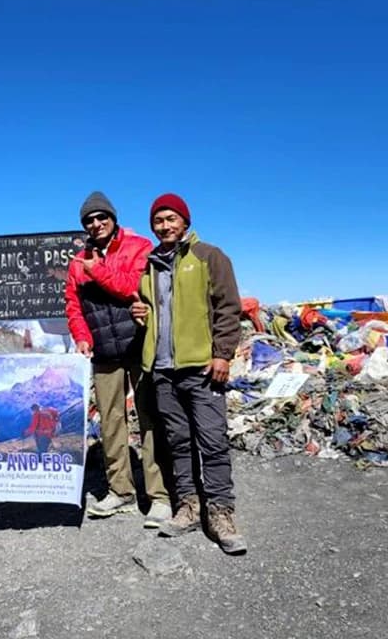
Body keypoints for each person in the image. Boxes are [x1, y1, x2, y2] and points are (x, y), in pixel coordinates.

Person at [131, 193, 247, 555]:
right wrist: (141, 314)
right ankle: (189, 507)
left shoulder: (209, 256)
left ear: (185, 221)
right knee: (177, 442)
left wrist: (222, 354)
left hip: (202, 368)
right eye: (158, 221)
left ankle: (221, 513)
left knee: (212, 441)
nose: (164, 226)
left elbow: (228, 308)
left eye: (171, 219)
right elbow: (151, 310)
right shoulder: (150, 265)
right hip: (163, 370)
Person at [64, 191, 171, 528]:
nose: (96, 224)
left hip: (139, 346)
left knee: (150, 418)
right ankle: (121, 491)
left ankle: (159, 496)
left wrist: (98, 270)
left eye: (102, 217)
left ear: (113, 219)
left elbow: (135, 288)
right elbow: (73, 305)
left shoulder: (139, 247)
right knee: (110, 422)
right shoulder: (77, 262)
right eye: (89, 220)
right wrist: (81, 336)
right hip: (104, 353)